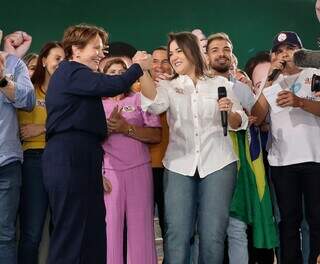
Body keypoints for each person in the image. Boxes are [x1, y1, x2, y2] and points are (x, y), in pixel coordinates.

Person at [42, 24, 151, 264]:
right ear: (76, 50)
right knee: (72, 229)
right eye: (97, 48)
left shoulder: (79, 78)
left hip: (86, 156)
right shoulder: (70, 70)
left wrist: (103, 126)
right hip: (68, 155)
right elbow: (111, 85)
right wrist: (138, 68)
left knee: (92, 229)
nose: (102, 54)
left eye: (103, 48)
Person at [140, 31, 248, 263]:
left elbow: (240, 121)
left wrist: (229, 113)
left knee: (213, 236)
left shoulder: (221, 84)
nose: (174, 57)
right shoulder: (168, 86)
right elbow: (154, 106)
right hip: (179, 165)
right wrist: (143, 71)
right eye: (171, 53)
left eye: (179, 51)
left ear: (193, 51)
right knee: (177, 233)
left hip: (219, 164)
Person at [252, 31, 320, 264]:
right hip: (282, 162)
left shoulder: (315, 74)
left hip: (315, 159)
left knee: (317, 220)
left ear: (301, 52)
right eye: (279, 51)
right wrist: (269, 80)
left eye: (290, 48)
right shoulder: (271, 82)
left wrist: (299, 102)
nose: (285, 54)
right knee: (288, 222)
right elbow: (257, 118)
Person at [102, 58, 161, 264]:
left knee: (141, 229)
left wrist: (125, 128)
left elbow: (156, 136)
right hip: (108, 174)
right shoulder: (96, 104)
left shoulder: (140, 99)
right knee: (110, 230)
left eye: (121, 71)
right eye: (112, 72)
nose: (117, 75)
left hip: (139, 170)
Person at [17, 42, 65, 264]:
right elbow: (24, 132)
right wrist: (56, 128)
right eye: (57, 58)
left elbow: (73, 127)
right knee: (31, 232)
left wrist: (44, 127)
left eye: (64, 59)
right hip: (33, 159)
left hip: (62, 160)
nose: (60, 63)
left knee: (61, 228)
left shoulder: (68, 93)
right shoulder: (29, 90)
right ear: (44, 61)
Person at [0, 34, 35, 264]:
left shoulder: (13, 64)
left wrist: (3, 81)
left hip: (7, 164)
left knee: (5, 235)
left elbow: (28, 100)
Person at [149, 46, 172, 239]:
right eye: (155, 61)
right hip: (144, 166)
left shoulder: (181, 88)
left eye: (164, 61)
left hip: (171, 165)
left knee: (170, 223)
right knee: (143, 223)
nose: (159, 66)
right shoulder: (137, 89)